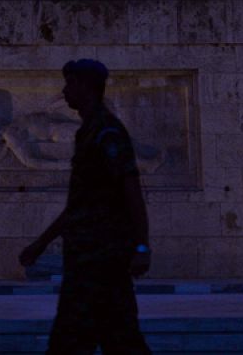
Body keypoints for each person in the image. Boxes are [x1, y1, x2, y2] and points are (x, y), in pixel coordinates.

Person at [19, 59, 152, 354]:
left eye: (70, 83)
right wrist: (42, 243)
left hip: (103, 262)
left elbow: (131, 192)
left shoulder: (107, 132)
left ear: (86, 87)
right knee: (102, 342)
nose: (65, 91)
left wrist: (142, 247)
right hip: (84, 262)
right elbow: (80, 203)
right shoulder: (87, 132)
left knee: (112, 342)